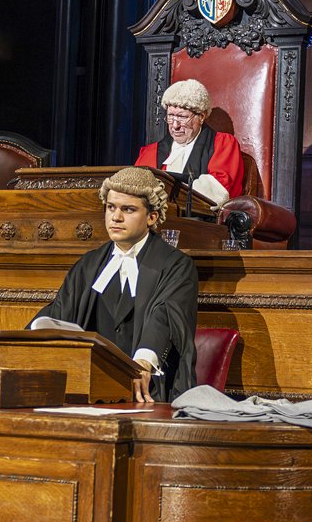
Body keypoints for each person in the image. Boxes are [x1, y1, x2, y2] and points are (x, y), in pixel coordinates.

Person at [28, 166, 197, 402]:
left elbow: (165, 318)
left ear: (152, 217)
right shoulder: (89, 264)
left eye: (128, 209)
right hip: (90, 392)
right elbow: (59, 311)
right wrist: (25, 342)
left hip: (149, 393)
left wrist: (143, 361)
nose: (116, 217)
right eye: (110, 208)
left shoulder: (175, 265)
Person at [134, 78, 246, 207]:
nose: (175, 126)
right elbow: (133, 191)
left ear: (201, 116)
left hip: (200, 222)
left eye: (182, 117)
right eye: (170, 116)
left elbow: (219, 192)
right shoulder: (151, 151)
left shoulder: (222, 144)